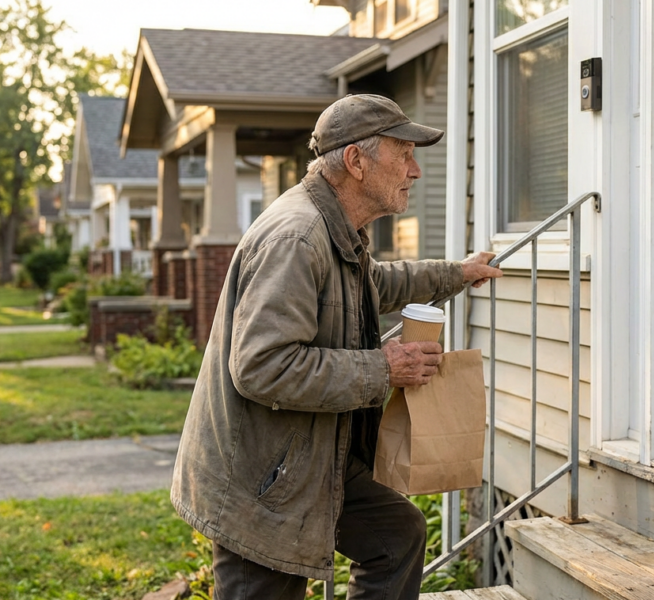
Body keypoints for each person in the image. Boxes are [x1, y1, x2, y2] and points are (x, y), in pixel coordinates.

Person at [171, 94, 502, 600]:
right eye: (404, 153)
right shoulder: (298, 238)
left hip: (308, 457)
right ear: (356, 161)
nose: (414, 170)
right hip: (261, 480)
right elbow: (262, 367)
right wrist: (383, 368)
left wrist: (455, 274)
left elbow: (375, 286)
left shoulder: (335, 229)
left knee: (396, 536)